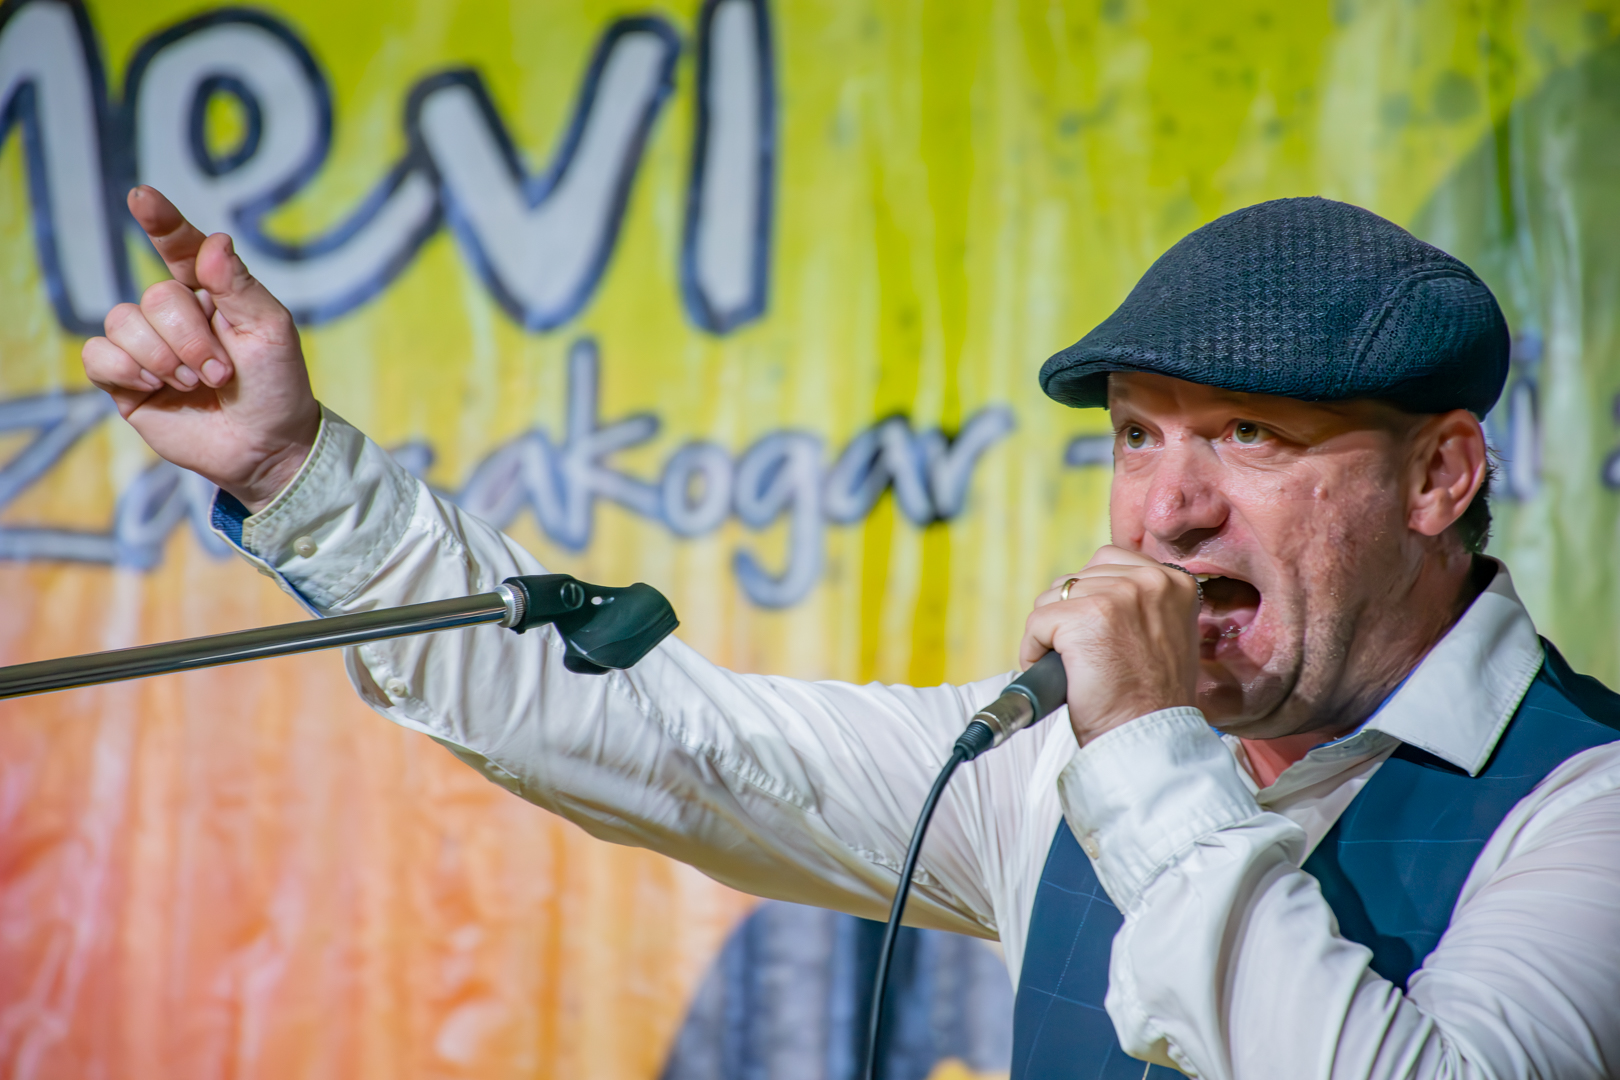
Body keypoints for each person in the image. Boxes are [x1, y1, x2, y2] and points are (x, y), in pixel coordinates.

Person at [82, 187, 1620, 1080]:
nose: (1170, 509)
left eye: (1250, 437)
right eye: (1138, 436)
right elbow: (662, 740)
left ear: (1440, 477)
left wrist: (1149, 751)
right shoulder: (1054, 772)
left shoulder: (1585, 807)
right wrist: (297, 478)